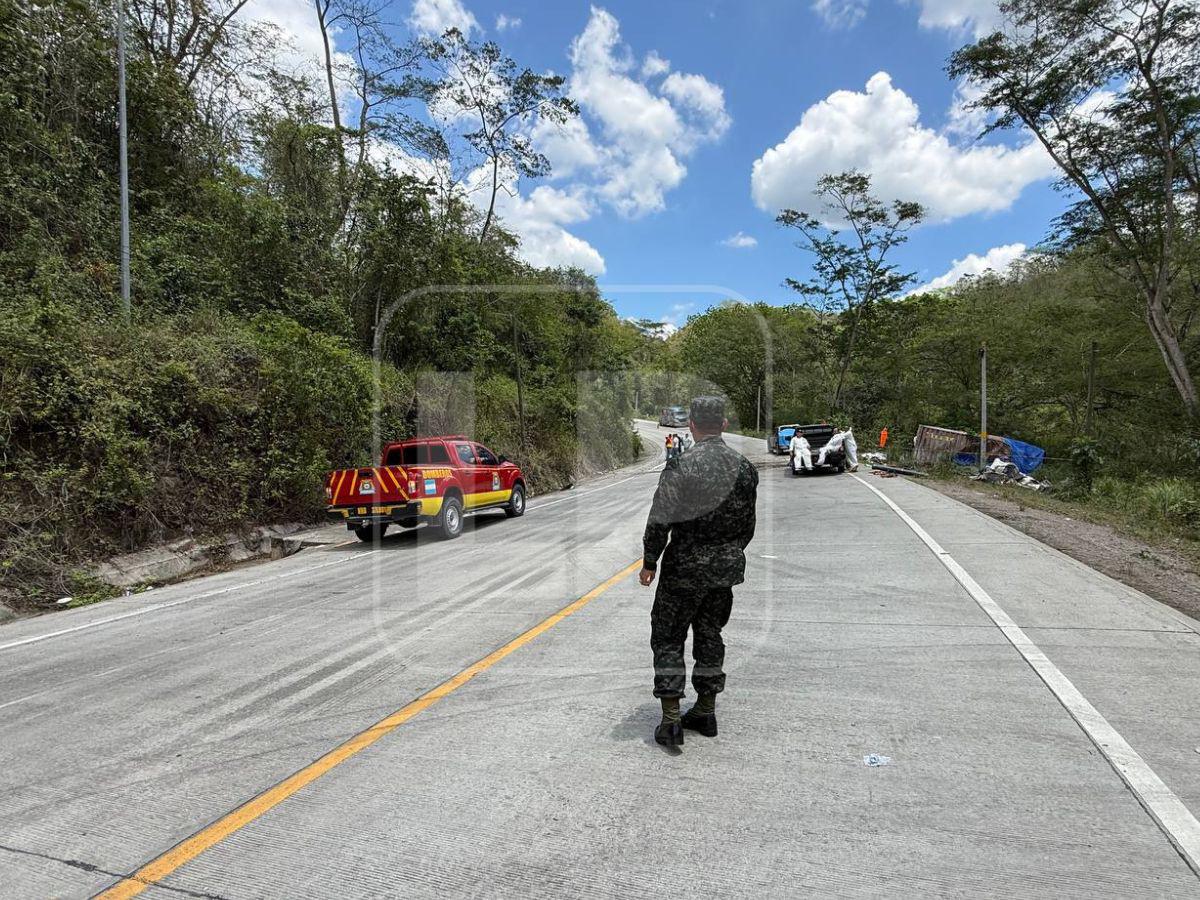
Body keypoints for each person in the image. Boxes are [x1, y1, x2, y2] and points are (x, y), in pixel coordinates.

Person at [640, 396, 759, 748]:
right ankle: (706, 711)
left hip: (683, 571)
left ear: (691, 424)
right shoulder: (744, 468)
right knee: (710, 635)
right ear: (723, 424)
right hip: (723, 571)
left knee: (668, 637)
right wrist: (727, 553)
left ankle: (672, 720)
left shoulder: (681, 465)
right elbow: (747, 526)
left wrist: (650, 561)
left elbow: (660, 519)